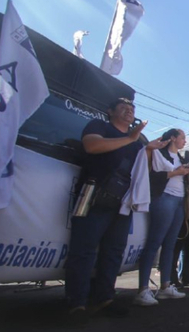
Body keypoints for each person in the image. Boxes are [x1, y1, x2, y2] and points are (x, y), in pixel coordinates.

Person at [64, 98, 164, 324]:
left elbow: (143, 172)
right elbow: (92, 145)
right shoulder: (100, 127)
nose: (130, 110)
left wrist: (147, 150)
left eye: (133, 108)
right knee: (84, 250)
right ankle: (76, 302)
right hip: (94, 195)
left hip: (122, 202)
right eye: (124, 107)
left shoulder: (137, 142)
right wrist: (129, 138)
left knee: (113, 251)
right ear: (110, 111)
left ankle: (105, 298)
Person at [134, 129, 189, 306]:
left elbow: (186, 181)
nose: (185, 141)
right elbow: (149, 176)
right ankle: (142, 289)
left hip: (179, 200)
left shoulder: (181, 159)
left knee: (170, 244)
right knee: (154, 242)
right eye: (183, 137)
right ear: (173, 138)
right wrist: (175, 173)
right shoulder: (158, 153)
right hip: (163, 198)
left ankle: (165, 286)